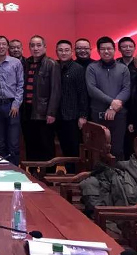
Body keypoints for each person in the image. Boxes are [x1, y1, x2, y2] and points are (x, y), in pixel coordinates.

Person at [86, 36, 131, 160]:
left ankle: (117, 172)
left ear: (114, 49)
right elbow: (92, 89)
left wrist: (113, 107)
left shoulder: (123, 68)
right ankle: (100, 172)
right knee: (98, 148)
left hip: (119, 114)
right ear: (98, 51)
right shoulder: (92, 68)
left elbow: (126, 89)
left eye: (109, 48)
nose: (106, 51)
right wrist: (112, 102)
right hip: (98, 114)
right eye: (103, 49)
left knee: (117, 148)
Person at [22, 35, 61, 163]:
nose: (35, 48)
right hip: (27, 110)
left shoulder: (51, 64)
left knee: (46, 144)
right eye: (32, 45)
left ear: (45, 47)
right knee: (30, 143)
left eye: (39, 45)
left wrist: (51, 112)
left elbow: (55, 90)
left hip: (44, 111)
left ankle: (49, 172)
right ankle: (33, 171)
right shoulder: (26, 63)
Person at [55, 40, 89, 173]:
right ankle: (68, 173)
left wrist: (83, 115)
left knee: (74, 148)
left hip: (73, 115)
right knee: (63, 147)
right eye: (60, 50)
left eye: (66, 50)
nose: (63, 53)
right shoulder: (55, 66)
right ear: (56, 52)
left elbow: (83, 93)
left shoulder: (78, 69)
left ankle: (76, 175)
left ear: (72, 52)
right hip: (57, 115)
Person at [0, 36, 23, 166]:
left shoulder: (16, 63)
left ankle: (15, 169)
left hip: (12, 105)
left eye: (4, 44)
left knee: (13, 143)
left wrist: (16, 104)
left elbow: (20, 85)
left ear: (7, 46)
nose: (1, 46)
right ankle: (1, 170)